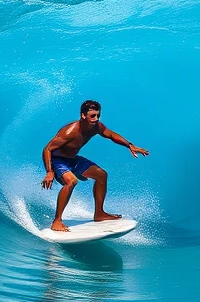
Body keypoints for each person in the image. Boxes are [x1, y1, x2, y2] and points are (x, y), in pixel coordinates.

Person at [41, 99, 149, 231]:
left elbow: (110, 134)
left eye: (98, 115)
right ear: (83, 115)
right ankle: (57, 221)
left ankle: (99, 213)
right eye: (92, 116)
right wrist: (49, 172)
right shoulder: (70, 132)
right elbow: (47, 149)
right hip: (57, 160)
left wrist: (129, 145)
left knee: (101, 174)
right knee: (71, 181)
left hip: (72, 159)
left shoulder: (95, 127)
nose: (96, 119)